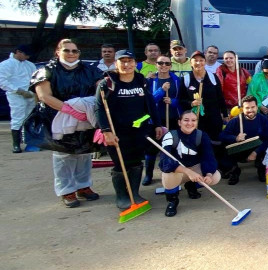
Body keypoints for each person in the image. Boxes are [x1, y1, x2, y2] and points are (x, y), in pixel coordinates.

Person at [31, 39, 103, 207]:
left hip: (86, 117)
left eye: (75, 51)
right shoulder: (47, 71)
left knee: (85, 151)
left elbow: (101, 85)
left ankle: (83, 186)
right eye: (67, 50)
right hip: (57, 117)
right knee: (63, 154)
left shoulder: (89, 69)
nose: (71, 54)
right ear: (58, 52)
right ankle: (67, 190)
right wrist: (69, 110)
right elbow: (44, 96)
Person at [96, 50, 165, 210]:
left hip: (139, 131)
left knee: (136, 162)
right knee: (121, 163)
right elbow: (99, 108)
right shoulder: (107, 83)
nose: (126, 65)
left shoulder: (141, 81)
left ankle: (134, 193)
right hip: (116, 132)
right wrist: (106, 131)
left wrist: (157, 124)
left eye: (130, 61)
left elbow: (150, 104)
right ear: (116, 63)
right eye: (123, 61)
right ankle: (121, 196)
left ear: (135, 63)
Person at [159, 110, 222, 217]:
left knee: (216, 176)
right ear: (179, 122)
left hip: (195, 168)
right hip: (178, 171)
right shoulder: (170, 135)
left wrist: (208, 174)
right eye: (186, 120)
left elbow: (209, 156)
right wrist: (187, 171)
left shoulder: (202, 135)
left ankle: (191, 186)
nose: (190, 123)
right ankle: (172, 201)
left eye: (193, 120)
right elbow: (165, 162)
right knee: (167, 175)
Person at [178, 51, 227, 171]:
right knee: (199, 142)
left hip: (213, 117)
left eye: (201, 60)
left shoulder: (212, 77)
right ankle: (201, 167)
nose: (198, 63)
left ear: (205, 62)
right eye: (196, 60)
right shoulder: (186, 79)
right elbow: (180, 100)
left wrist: (224, 114)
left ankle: (216, 167)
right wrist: (191, 103)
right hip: (196, 119)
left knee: (216, 142)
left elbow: (220, 97)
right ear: (191, 62)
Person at [219, 95, 268, 184]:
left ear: (257, 107)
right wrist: (235, 138)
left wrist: (256, 152)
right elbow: (222, 136)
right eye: (247, 108)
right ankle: (234, 171)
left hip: (258, 150)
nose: (250, 110)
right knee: (223, 148)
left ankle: (261, 169)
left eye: (253, 107)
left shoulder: (263, 120)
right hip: (240, 149)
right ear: (242, 109)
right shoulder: (235, 121)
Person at [144, 55, 181, 186]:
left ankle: (174, 173)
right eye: (161, 63)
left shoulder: (177, 80)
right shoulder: (150, 80)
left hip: (172, 118)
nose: (164, 66)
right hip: (155, 120)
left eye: (167, 63)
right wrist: (161, 91)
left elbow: (182, 100)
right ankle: (148, 174)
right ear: (156, 65)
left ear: (171, 65)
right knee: (152, 148)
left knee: (173, 147)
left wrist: (173, 101)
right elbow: (148, 101)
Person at [0, 44, 37, 153]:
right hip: (15, 95)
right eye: (26, 55)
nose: (27, 57)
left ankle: (29, 141)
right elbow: (2, 81)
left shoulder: (29, 65)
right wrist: (18, 91)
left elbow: (35, 78)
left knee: (29, 117)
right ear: (18, 52)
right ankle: (16, 144)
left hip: (30, 94)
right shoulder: (5, 65)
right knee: (18, 117)